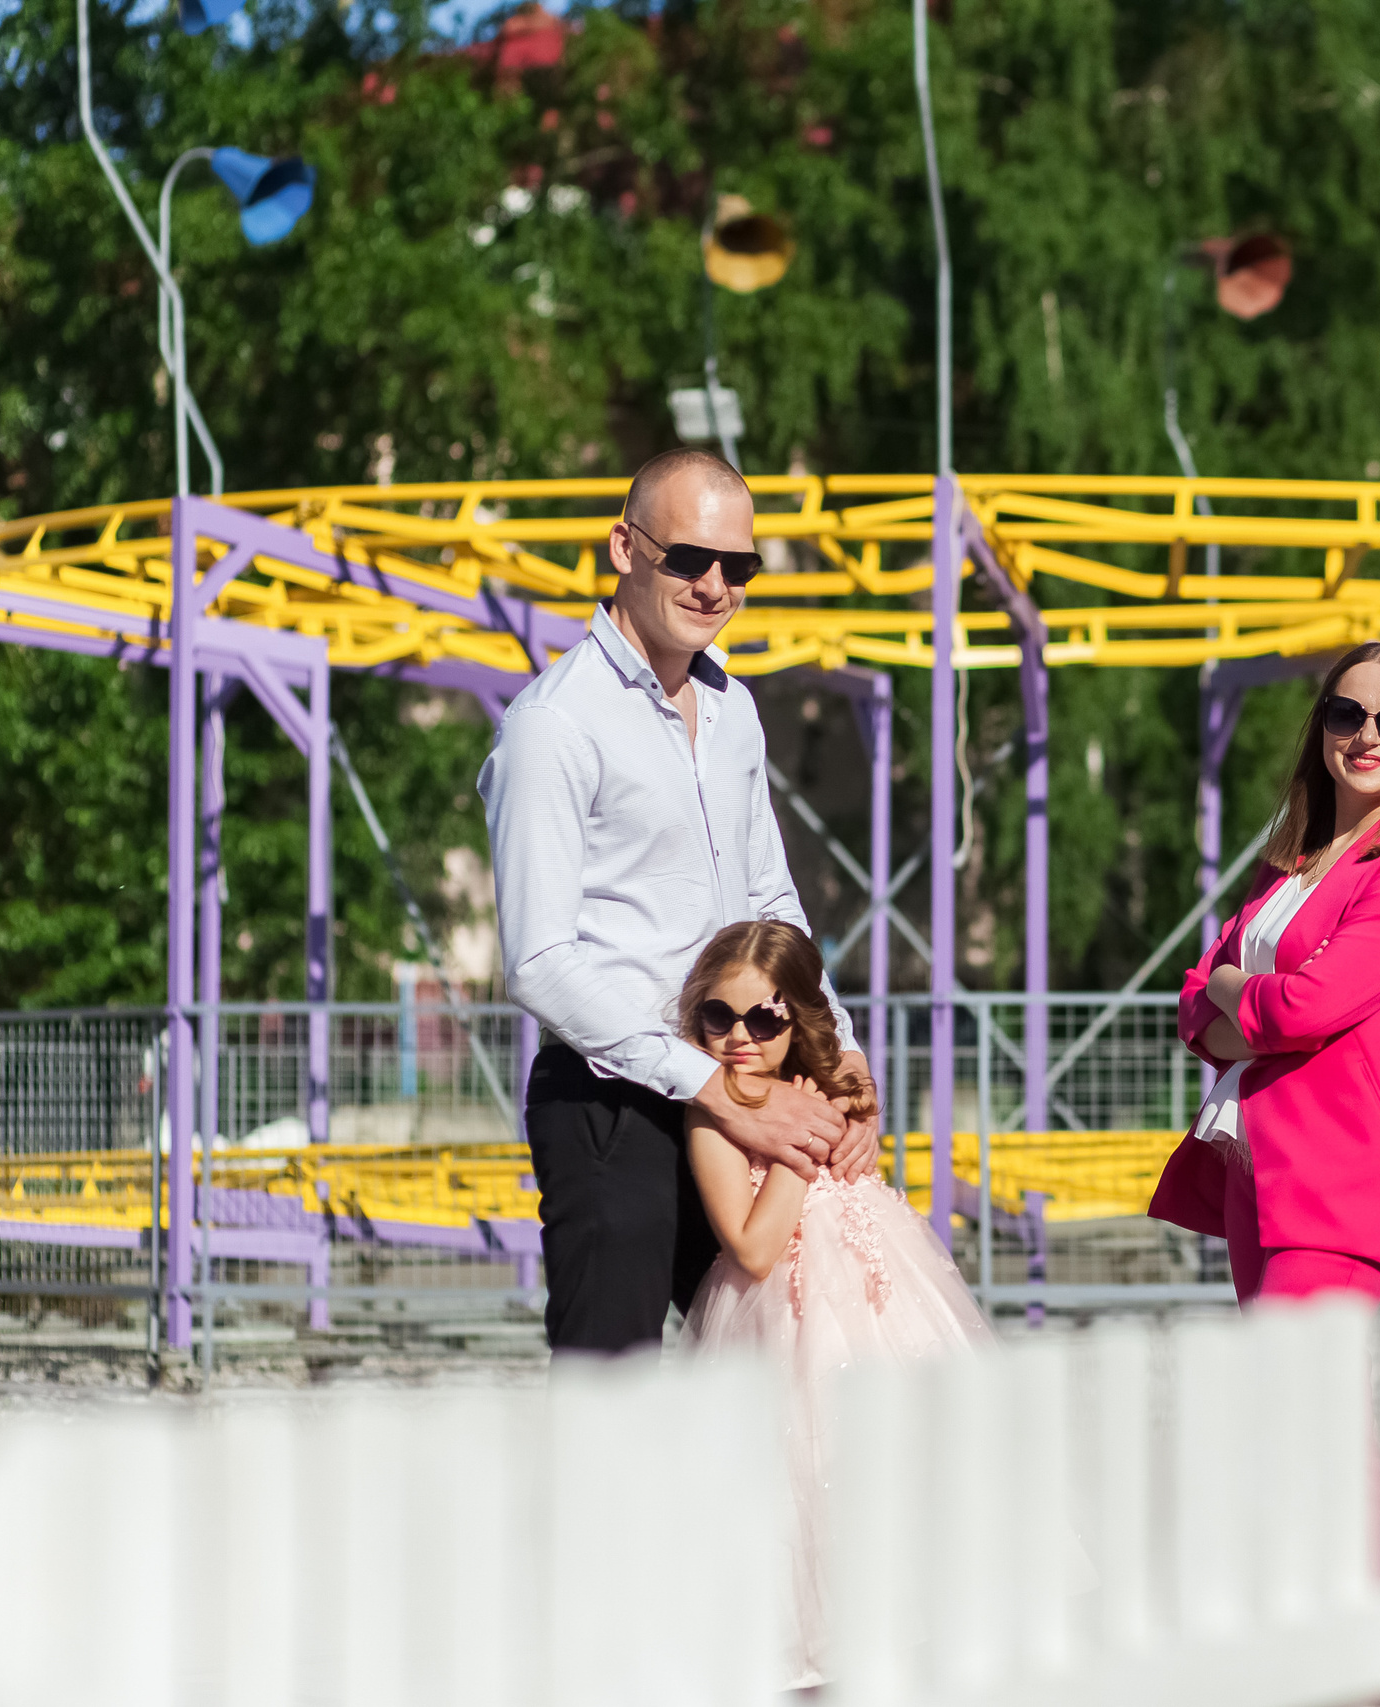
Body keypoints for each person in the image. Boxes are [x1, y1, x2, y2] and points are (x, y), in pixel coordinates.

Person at [480, 447, 882, 1354]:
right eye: (688, 559)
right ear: (624, 547)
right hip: (612, 1105)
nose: (714, 585)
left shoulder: (735, 709)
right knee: (613, 1388)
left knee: (781, 1365)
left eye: (737, 566)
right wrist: (716, 1089)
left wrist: (840, 1053)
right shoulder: (553, 724)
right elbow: (539, 962)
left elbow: (774, 903)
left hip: (742, 1083)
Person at [676, 920, 991, 1688]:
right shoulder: (712, 1118)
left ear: (799, 1018)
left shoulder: (832, 1088)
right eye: (718, 1016)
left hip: (885, 1303)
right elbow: (751, 1246)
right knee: (804, 1489)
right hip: (781, 1320)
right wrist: (798, 1145)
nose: (739, 1037)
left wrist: (844, 1115)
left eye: (764, 1017)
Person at [1150, 641, 1380, 1304]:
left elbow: (1302, 1008)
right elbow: (1192, 1004)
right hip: (1258, 1167)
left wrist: (1230, 987)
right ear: (1322, 725)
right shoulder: (1289, 863)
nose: (1368, 736)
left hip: (1339, 1180)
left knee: (1301, 1397)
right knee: (1300, 1402)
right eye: (1347, 714)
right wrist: (1245, 1009)